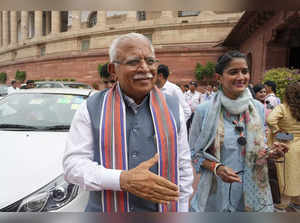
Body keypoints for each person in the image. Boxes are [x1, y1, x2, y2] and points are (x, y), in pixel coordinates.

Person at [63, 33, 193, 212]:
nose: (145, 68)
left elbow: (183, 167)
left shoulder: (172, 107)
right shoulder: (91, 107)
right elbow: (73, 165)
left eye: (150, 61)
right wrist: (122, 179)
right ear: (113, 69)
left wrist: (182, 209)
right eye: (133, 62)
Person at [189, 50, 288, 212]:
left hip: (253, 192)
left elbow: (257, 149)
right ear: (219, 77)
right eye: (233, 72)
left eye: (245, 71)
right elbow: (193, 154)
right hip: (217, 193)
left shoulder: (257, 108)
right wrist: (217, 168)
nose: (241, 77)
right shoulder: (204, 111)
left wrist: (271, 152)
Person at [267, 81, 300, 211]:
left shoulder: (283, 108)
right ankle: (297, 201)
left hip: (288, 146)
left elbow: (270, 120)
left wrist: (277, 132)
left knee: (286, 175)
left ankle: (283, 203)